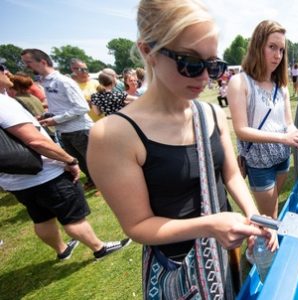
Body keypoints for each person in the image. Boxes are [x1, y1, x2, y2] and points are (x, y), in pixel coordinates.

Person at [87, 1, 271, 298]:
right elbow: (138, 225)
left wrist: (254, 218)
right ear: (149, 51)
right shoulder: (112, 134)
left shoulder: (210, 113)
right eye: (191, 63)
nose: (205, 78)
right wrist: (210, 225)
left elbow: (232, 175)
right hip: (176, 268)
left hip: (223, 253)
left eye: (213, 65)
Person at [0, 94, 130, 261]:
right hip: (46, 175)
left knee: (41, 217)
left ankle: (62, 250)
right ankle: (99, 248)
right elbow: (35, 141)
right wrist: (69, 160)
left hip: (15, 181)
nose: (7, 73)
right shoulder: (3, 104)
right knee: (72, 217)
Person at [227, 20, 298, 219]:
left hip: (283, 158)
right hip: (259, 162)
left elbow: (288, 123)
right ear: (258, 46)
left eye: (281, 50)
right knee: (270, 217)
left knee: (273, 211)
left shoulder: (280, 86)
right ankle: (265, 248)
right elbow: (241, 130)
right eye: (272, 47)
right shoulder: (239, 82)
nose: (277, 55)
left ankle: (269, 245)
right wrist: (284, 139)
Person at [20, 49, 96, 190]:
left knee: (92, 160)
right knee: (79, 160)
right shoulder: (47, 82)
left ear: (42, 62)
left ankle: (103, 184)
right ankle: (94, 182)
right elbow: (61, 107)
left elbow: (82, 107)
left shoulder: (63, 81)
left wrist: (56, 120)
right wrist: (46, 116)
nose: (26, 66)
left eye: (28, 62)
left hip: (79, 129)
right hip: (66, 130)